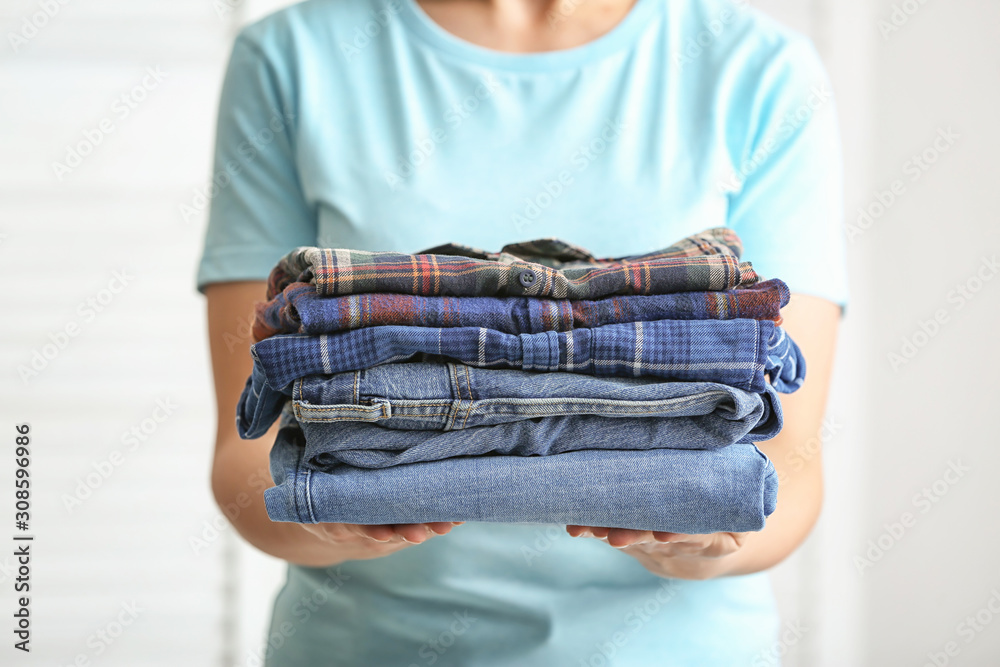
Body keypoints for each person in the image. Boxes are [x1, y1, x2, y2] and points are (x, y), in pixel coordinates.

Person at [197, 0, 846, 663]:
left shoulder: (759, 70)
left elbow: (789, 459)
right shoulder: (292, 58)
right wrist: (328, 512)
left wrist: (702, 548)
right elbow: (247, 448)